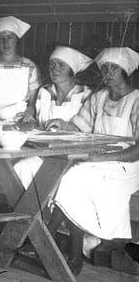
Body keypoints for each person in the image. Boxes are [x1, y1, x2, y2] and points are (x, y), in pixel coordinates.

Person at [33, 47, 139, 274]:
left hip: (126, 165)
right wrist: (63, 124)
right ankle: (73, 254)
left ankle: (49, 238)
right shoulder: (99, 97)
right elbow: (79, 126)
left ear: (125, 72)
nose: (108, 73)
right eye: (104, 69)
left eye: (114, 69)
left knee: (73, 178)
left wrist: (102, 157)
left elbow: (137, 151)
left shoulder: (136, 100)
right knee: (71, 178)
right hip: (97, 161)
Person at [13, 46, 93, 190]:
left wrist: (65, 125)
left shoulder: (86, 94)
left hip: (73, 155)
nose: (54, 69)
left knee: (62, 179)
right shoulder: (44, 92)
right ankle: (36, 211)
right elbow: (38, 124)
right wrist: (28, 121)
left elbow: (88, 130)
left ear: (72, 70)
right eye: (52, 64)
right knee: (22, 167)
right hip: (44, 152)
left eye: (61, 65)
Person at [0, 16, 41, 122]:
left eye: (10, 37)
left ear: (17, 39)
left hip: (20, 121)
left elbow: (32, 104)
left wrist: (27, 115)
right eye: (1, 38)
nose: (6, 42)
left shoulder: (30, 66)